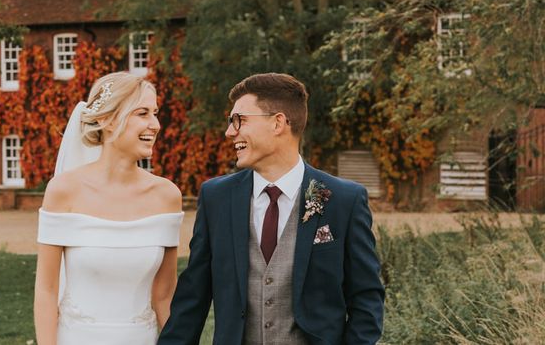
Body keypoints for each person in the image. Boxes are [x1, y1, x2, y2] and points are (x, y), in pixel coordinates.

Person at [158, 72, 384, 345]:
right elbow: (191, 300)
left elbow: (366, 299)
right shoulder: (217, 197)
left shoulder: (343, 200)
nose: (230, 131)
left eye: (239, 120)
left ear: (278, 123)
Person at [34, 71, 183, 345]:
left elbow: (164, 294)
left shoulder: (167, 196)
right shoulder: (63, 192)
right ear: (107, 120)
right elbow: (46, 290)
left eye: (155, 113)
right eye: (143, 113)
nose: (156, 124)